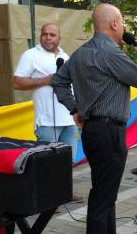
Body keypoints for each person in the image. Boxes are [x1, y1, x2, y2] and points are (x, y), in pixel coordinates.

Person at [51, 3, 137, 234]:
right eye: (121, 23)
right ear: (114, 24)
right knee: (102, 197)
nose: (123, 28)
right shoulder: (110, 53)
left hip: (96, 131)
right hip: (108, 133)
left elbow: (59, 81)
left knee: (105, 191)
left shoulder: (82, 53)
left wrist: (75, 109)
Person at [13, 23, 84, 203]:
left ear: (59, 37)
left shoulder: (65, 56)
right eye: (45, 34)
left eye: (52, 34)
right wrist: (45, 80)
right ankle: (47, 199)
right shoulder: (31, 55)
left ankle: (64, 193)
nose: (48, 37)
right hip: (46, 120)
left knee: (67, 160)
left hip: (68, 118)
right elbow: (17, 82)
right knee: (46, 162)